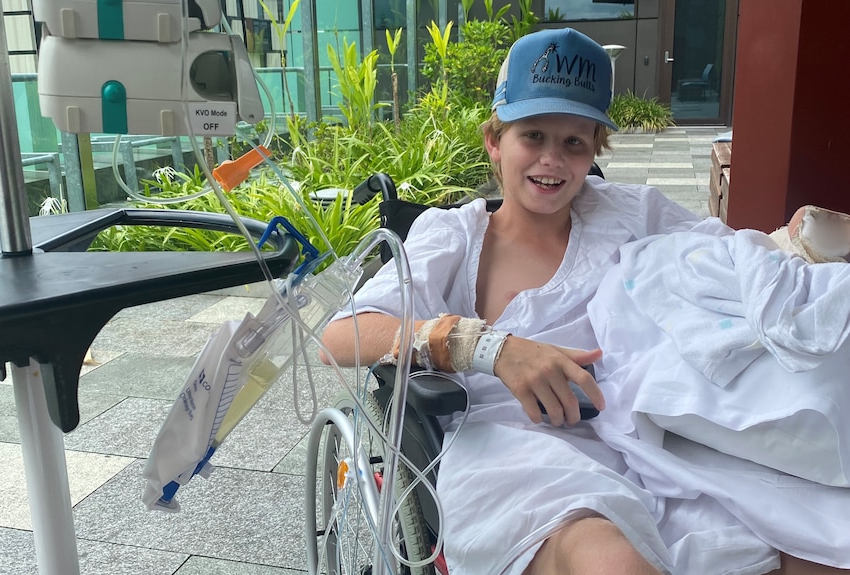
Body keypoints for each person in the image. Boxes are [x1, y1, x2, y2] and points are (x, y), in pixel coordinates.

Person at [321, 28, 849, 575]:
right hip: (508, 446)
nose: (552, 159)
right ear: (494, 140)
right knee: (611, 562)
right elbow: (341, 338)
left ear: (595, 149)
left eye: (574, 142)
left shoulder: (630, 212)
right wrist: (489, 348)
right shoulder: (455, 236)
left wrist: (794, 243)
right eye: (534, 135)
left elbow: (733, 257)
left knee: (815, 542)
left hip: (640, 438)